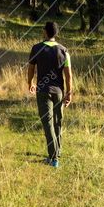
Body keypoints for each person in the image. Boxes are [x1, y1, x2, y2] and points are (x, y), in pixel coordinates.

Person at [27, 21, 72, 168]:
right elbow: (68, 75)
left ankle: (53, 158)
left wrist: (30, 83)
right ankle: (56, 153)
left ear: (45, 32)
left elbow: (31, 69)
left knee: (48, 123)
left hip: (43, 91)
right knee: (57, 122)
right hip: (58, 91)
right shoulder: (64, 51)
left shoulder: (37, 48)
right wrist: (69, 93)